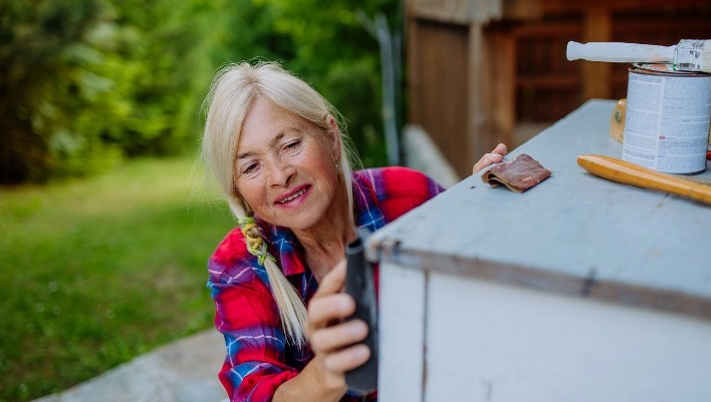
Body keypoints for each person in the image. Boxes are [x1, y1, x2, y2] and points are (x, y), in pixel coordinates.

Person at [201, 60, 507, 402]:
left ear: (331, 138)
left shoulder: (408, 197)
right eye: (251, 166)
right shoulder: (239, 266)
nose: (278, 175)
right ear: (238, 190)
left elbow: (487, 304)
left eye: (289, 145)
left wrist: (485, 218)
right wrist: (327, 373)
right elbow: (256, 394)